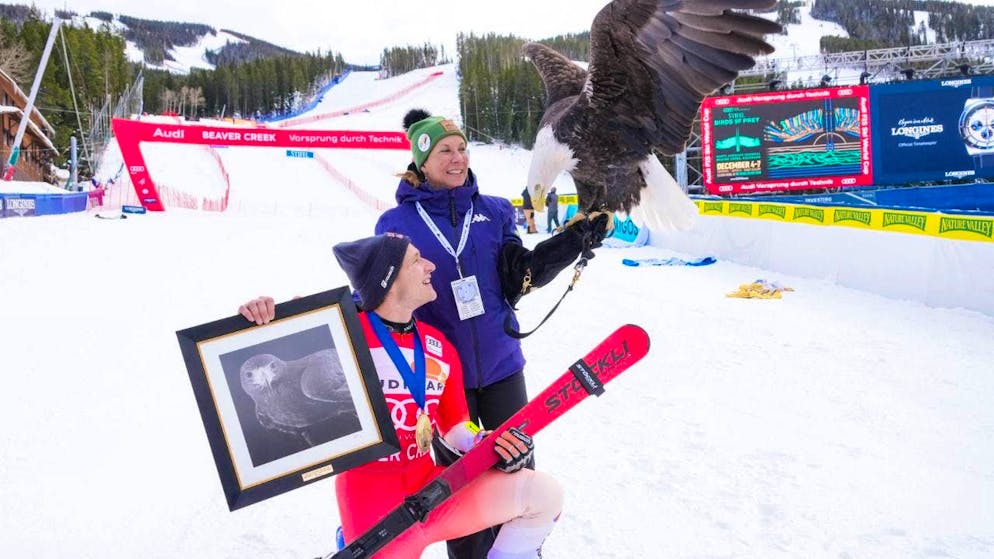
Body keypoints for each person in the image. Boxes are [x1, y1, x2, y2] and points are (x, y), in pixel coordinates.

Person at [238, 233, 563, 559]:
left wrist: (486, 442)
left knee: (543, 495)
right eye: (417, 260)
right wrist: (262, 319)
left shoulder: (439, 345)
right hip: (371, 498)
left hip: (433, 489)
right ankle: (350, 540)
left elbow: (457, 426)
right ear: (389, 280)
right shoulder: (341, 333)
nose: (431, 266)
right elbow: (278, 346)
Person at [375, 109, 608, 558]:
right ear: (422, 160)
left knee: (517, 473)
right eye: (445, 151)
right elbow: (379, 300)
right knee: (457, 487)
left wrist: (572, 242)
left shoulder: (495, 210)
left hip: (502, 367)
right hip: (440, 380)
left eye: (462, 148)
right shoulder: (395, 225)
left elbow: (518, 276)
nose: (458, 158)